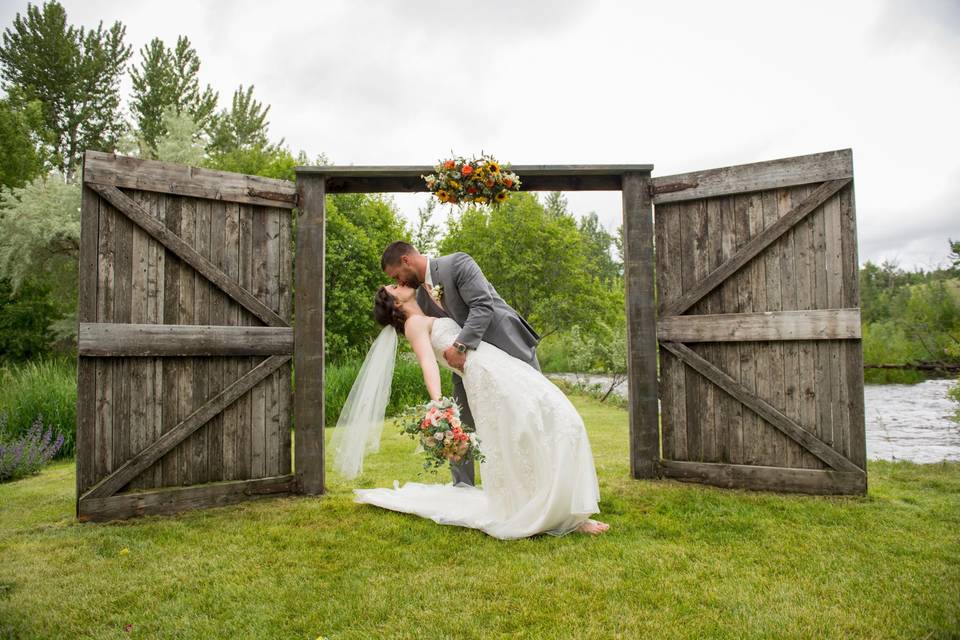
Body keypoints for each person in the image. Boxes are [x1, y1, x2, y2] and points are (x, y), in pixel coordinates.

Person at [331, 243, 609, 539]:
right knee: (511, 432)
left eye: (395, 275)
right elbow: (429, 356)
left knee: (542, 420)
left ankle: (559, 503)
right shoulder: (419, 302)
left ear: (405, 260)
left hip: (502, 347)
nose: (398, 282)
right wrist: (439, 404)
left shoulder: (456, 265)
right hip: (478, 372)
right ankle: (516, 500)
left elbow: (482, 307)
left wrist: (461, 347)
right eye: (394, 283)